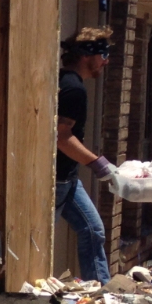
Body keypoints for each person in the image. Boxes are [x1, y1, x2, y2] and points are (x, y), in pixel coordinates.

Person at [55, 27, 115, 284]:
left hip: (68, 178)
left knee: (93, 230)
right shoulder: (73, 89)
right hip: (56, 181)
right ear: (85, 56)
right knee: (35, 240)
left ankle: (103, 293)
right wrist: (97, 163)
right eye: (103, 54)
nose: (106, 61)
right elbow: (60, 136)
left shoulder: (65, 82)